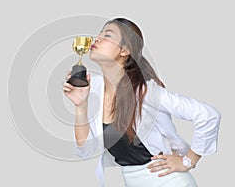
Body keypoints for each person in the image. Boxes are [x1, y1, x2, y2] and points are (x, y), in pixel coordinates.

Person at [62, 17, 221, 187]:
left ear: (124, 50)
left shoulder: (145, 91)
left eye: (107, 35)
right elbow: (85, 150)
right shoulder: (94, 89)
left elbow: (208, 115)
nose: (97, 38)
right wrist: (81, 106)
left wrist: (188, 161)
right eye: (99, 33)